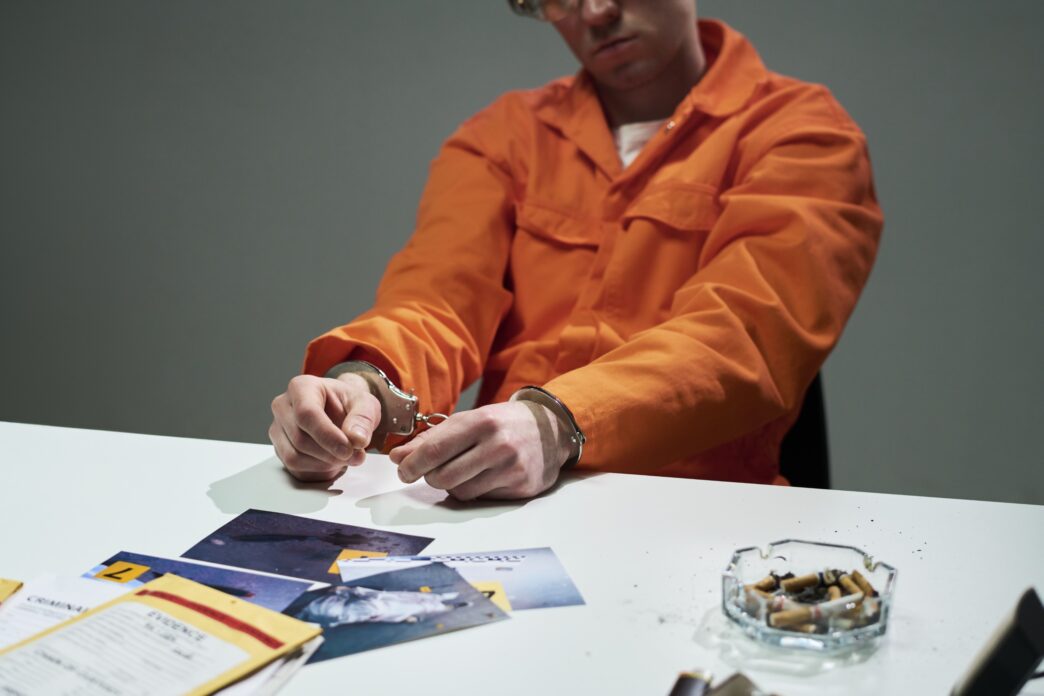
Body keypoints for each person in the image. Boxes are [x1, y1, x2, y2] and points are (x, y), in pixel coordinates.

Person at [269, 0, 882, 500]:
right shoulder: (502, 136)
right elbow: (436, 297)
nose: (595, 12)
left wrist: (558, 422)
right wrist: (365, 385)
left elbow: (745, 334)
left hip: (699, 513)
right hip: (499, 506)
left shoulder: (805, 135)